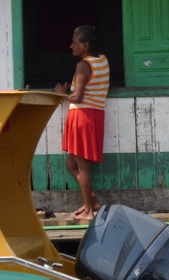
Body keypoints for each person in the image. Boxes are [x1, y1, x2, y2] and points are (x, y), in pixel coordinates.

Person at [55, 26, 110, 220]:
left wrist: (63, 94)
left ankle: (89, 210)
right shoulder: (102, 60)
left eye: (74, 42)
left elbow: (77, 97)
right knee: (72, 163)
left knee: (82, 165)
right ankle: (92, 200)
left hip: (82, 116)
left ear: (85, 46)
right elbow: (92, 85)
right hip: (95, 115)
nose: (71, 46)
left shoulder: (82, 65)